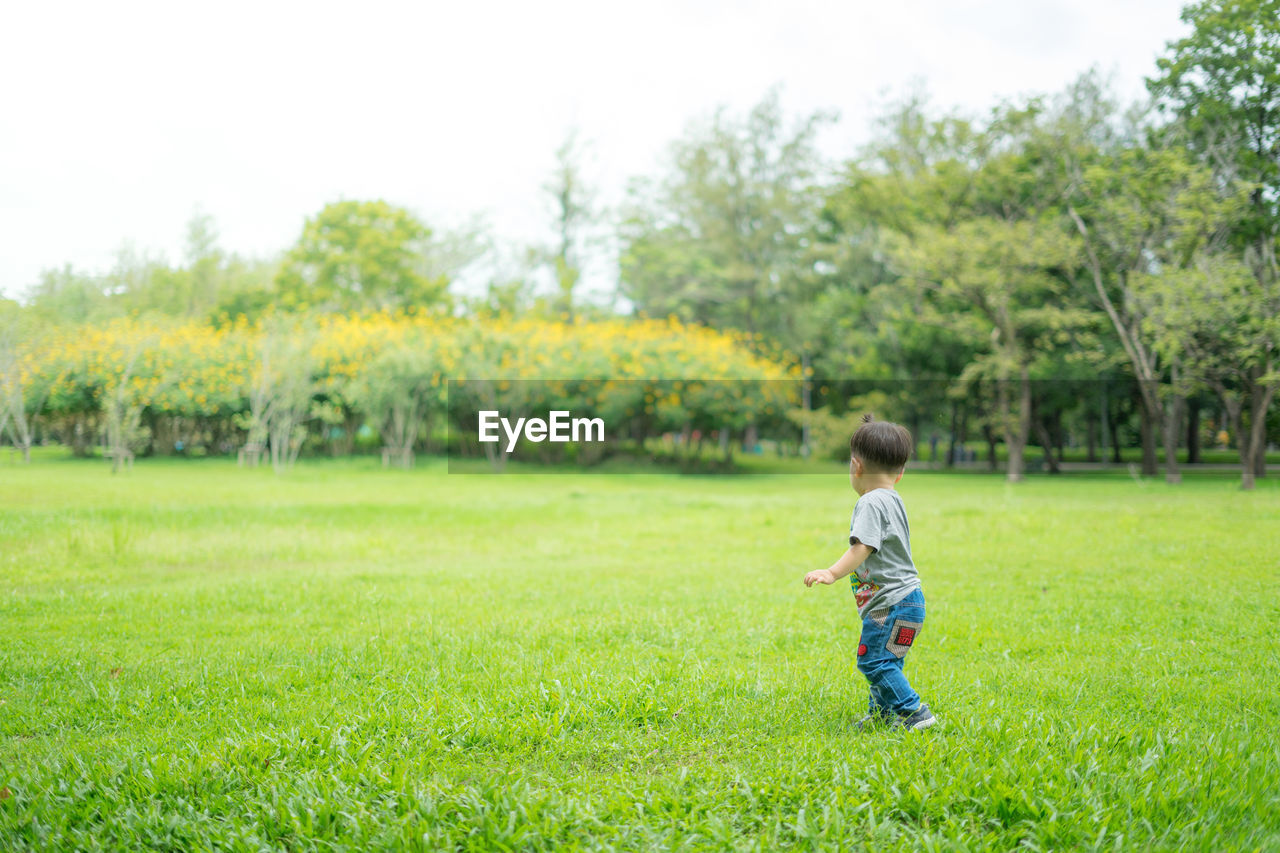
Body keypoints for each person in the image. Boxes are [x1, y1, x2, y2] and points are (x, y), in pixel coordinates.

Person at [803, 414, 935, 731]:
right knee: (888, 661)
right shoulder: (893, 499)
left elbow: (862, 546)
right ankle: (882, 715)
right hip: (909, 601)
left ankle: (914, 712)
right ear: (900, 473)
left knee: (872, 661)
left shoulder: (870, 502)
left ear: (855, 466)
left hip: (890, 605)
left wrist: (832, 573)